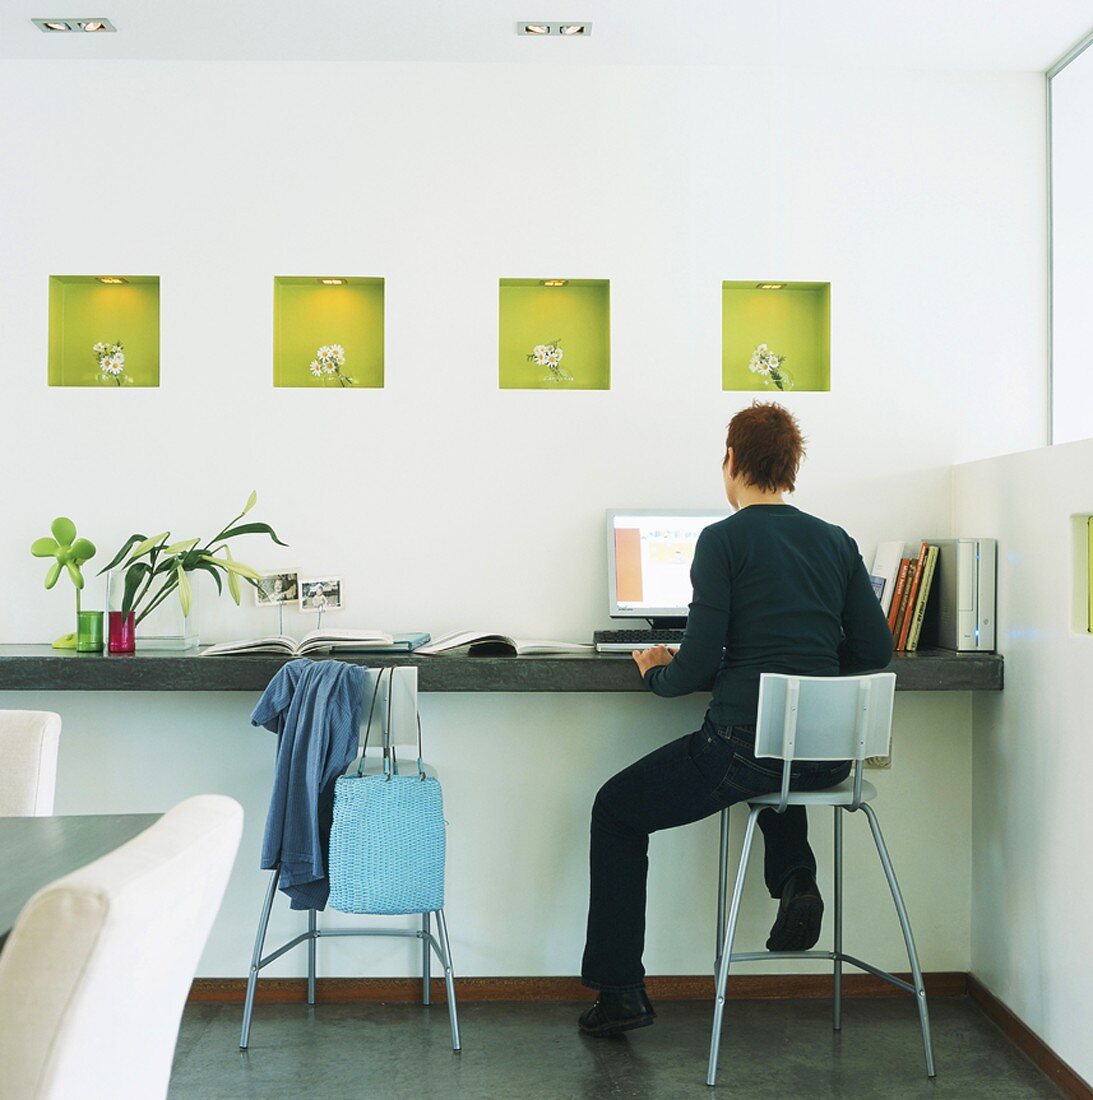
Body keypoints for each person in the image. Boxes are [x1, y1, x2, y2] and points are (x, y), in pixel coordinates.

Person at [578, 401, 893, 1038]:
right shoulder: (836, 540)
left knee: (615, 810)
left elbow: (691, 670)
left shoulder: (722, 539)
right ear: (792, 466)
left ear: (731, 460)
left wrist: (655, 672)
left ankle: (620, 994)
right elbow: (876, 651)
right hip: (829, 754)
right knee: (776, 763)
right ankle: (796, 878)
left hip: (746, 751)